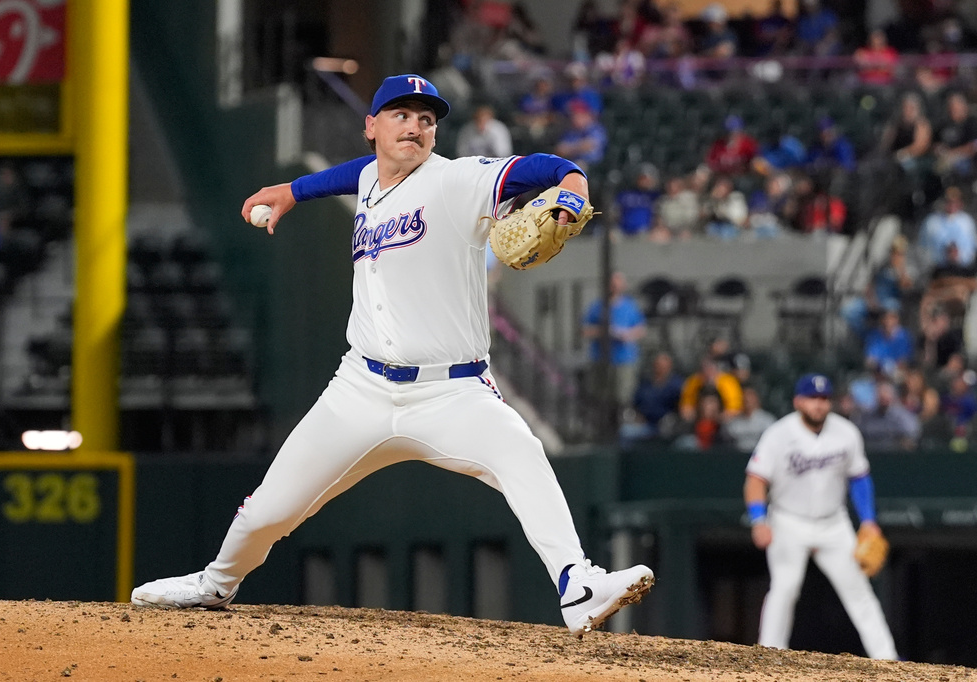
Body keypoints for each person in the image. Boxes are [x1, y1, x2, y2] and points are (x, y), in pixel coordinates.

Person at [129, 74, 654, 636]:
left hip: (451, 391)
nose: (417, 127)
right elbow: (346, 177)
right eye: (402, 115)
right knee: (268, 511)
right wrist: (292, 191)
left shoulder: (456, 180)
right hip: (360, 390)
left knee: (521, 453)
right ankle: (216, 584)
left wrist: (574, 187)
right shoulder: (367, 180)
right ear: (371, 126)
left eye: (426, 120)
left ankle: (576, 584)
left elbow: (543, 168)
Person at [744, 373, 899, 660]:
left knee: (859, 592)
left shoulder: (846, 432)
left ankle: (887, 659)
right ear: (798, 401)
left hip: (833, 523)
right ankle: (768, 657)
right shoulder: (778, 434)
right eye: (813, 398)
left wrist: (868, 520)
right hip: (788, 521)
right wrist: (758, 519)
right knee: (785, 588)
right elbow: (755, 479)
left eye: (824, 399)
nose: (819, 405)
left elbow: (860, 477)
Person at [583, 271, 647, 413]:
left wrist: (628, 335)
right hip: (601, 359)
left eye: (617, 284)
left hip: (624, 359)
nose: (614, 287)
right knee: (601, 395)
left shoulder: (630, 307)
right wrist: (605, 332)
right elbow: (585, 330)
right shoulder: (597, 307)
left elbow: (641, 329)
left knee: (623, 396)